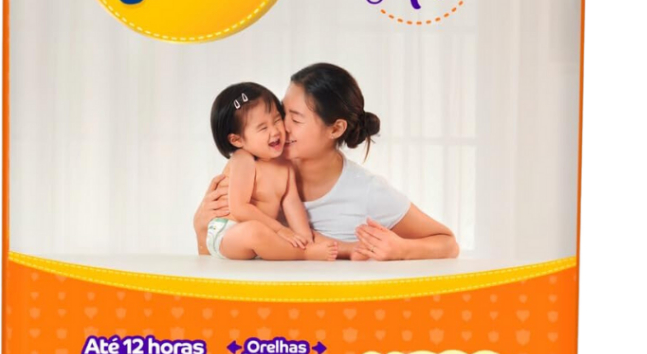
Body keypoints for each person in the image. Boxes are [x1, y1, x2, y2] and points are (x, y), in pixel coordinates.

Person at [195, 64, 458, 261]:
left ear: (335, 129)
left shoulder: (366, 191)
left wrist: (403, 249)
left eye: (295, 119)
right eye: (281, 113)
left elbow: (448, 243)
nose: (280, 127)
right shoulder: (255, 163)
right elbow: (211, 258)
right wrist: (199, 226)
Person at [203, 82, 339, 261]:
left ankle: (308, 247)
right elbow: (239, 208)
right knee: (255, 231)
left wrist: (303, 236)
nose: (275, 131)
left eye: (276, 120)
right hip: (228, 232)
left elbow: (292, 203)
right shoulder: (243, 160)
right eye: (263, 127)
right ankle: (304, 254)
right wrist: (280, 229)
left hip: (265, 233)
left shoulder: (285, 165)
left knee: (301, 235)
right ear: (237, 140)